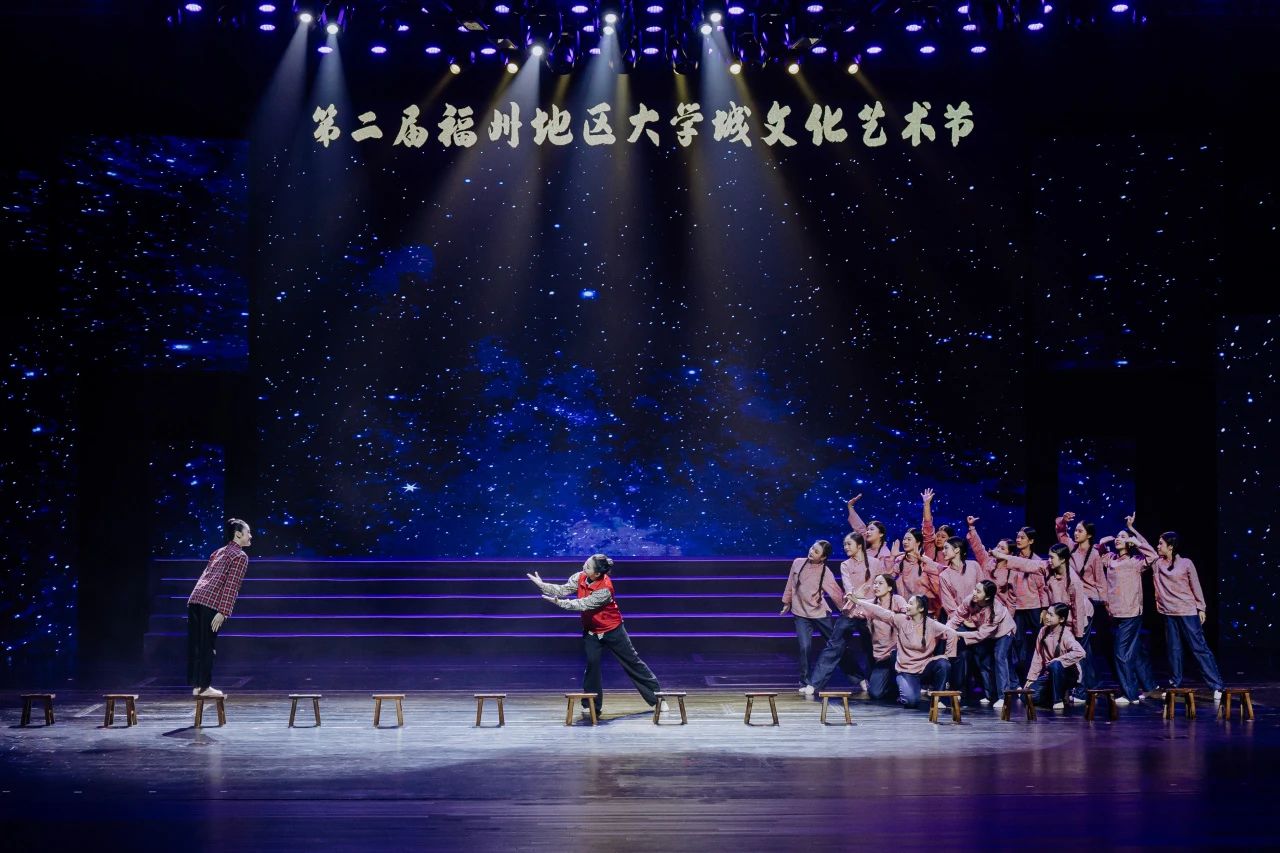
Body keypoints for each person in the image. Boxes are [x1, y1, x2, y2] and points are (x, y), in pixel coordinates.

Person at [529, 554, 666, 718]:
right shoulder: (580, 577)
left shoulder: (605, 589)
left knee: (632, 662)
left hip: (613, 629)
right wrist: (543, 585)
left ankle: (658, 699)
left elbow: (582, 604)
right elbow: (564, 589)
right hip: (591, 631)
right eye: (586, 563)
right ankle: (591, 704)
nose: (584, 567)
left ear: (597, 573)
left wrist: (560, 603)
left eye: (588, 566)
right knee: (592, 665)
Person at [1152, 530, 1226, 703]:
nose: (1158, 546)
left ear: (1171, 546)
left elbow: (1196, 585)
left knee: (1198, 647)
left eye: (1161, 543)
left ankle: (1216, 685)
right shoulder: (1157, 563)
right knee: (1174, 650)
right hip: (1169, 612)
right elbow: (1146, 548)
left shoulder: (1186, 563)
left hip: (1187, 611)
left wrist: (1201, 607)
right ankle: (1175, 685)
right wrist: (1132, 531)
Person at [802, 532, 876, 696]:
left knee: (871, 648)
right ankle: (814, 684)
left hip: (870, 614)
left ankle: (872, 681)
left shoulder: (875, 563)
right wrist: (856, 595)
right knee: (833, 647)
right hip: (850, 612)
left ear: (859, 545)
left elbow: (880, 586)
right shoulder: (845, 565)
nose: (845, 547)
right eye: (844, 544)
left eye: (849, 544)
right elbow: (848, 589)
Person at [186, 517, 252, 699]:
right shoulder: (240, 556)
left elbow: (205, 576)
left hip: (195, 599)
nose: (250, 536)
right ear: (238, 534)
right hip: (210, 603)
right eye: (248, 532)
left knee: (198, 644)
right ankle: (204, 687)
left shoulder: (218, 552)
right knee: (207, 645)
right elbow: (232, 586)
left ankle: (198, 685)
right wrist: (223, 611)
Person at [857, 593, 958, 709]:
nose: (906, 606)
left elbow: (952, 633)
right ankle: (906, 688)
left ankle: (937, 700)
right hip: (906, 670)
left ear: (921, 609)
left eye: (910, 604)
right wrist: (859, 602)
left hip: (925, 667)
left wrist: (947, 655)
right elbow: (880, 611)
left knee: (944, 664)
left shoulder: (931, 624)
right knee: (911, 702)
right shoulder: (901, 620)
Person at [1098, 514, 1159, 704]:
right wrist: (1102, 544)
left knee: (1121, 653)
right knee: (1136, 652)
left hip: (1131, 614)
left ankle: (1130, 694)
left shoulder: (1136, 561)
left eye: (1122, 537)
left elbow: (1153, 555)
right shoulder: (1111, 559)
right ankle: (1149, 687)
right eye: (1117, 536)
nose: (1118, 538)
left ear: (1130, 543)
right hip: (1114, 615)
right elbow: (1099, 555)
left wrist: (1134, 534)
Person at [779, 540, 846, 688]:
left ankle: (857, 677)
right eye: (812, 548)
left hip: (819, 613)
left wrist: (846, 610)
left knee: (836, 644)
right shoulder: (798, 562)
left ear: (823, 557)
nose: (811, 552)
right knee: (804, 647)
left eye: (816, 552)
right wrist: (787, 602)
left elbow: (836, 593)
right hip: (800, 613)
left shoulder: (825, 571)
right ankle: (805, 681)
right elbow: (791, 583)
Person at [947, 579, 1017, 707]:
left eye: (978, 591)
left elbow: (980, 635)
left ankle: (1003, 697)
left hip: (1004, 632)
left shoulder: (996, 610)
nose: (974, 593)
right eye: (975, 589)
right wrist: (947, 630)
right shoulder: (970, 600)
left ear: (987, 597)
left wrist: (959, 634)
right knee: (984, 661)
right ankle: (989, 695)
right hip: (987, 633)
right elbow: (957, 617)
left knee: (999, 658)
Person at [1024, 603, 1085, 709]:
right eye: (1047, 613)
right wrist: (1031, 678)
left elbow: (1081, 652)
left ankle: (1058, 700)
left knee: (1055, 664)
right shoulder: (1043, 631)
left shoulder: (1066, 635)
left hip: (1068, 675)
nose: (1047, 617)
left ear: (1061, 619)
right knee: (1027, 697)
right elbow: (1038, 656)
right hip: (1050, 675)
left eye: (1051, 615)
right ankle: (1052, 694)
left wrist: (1058, 660)